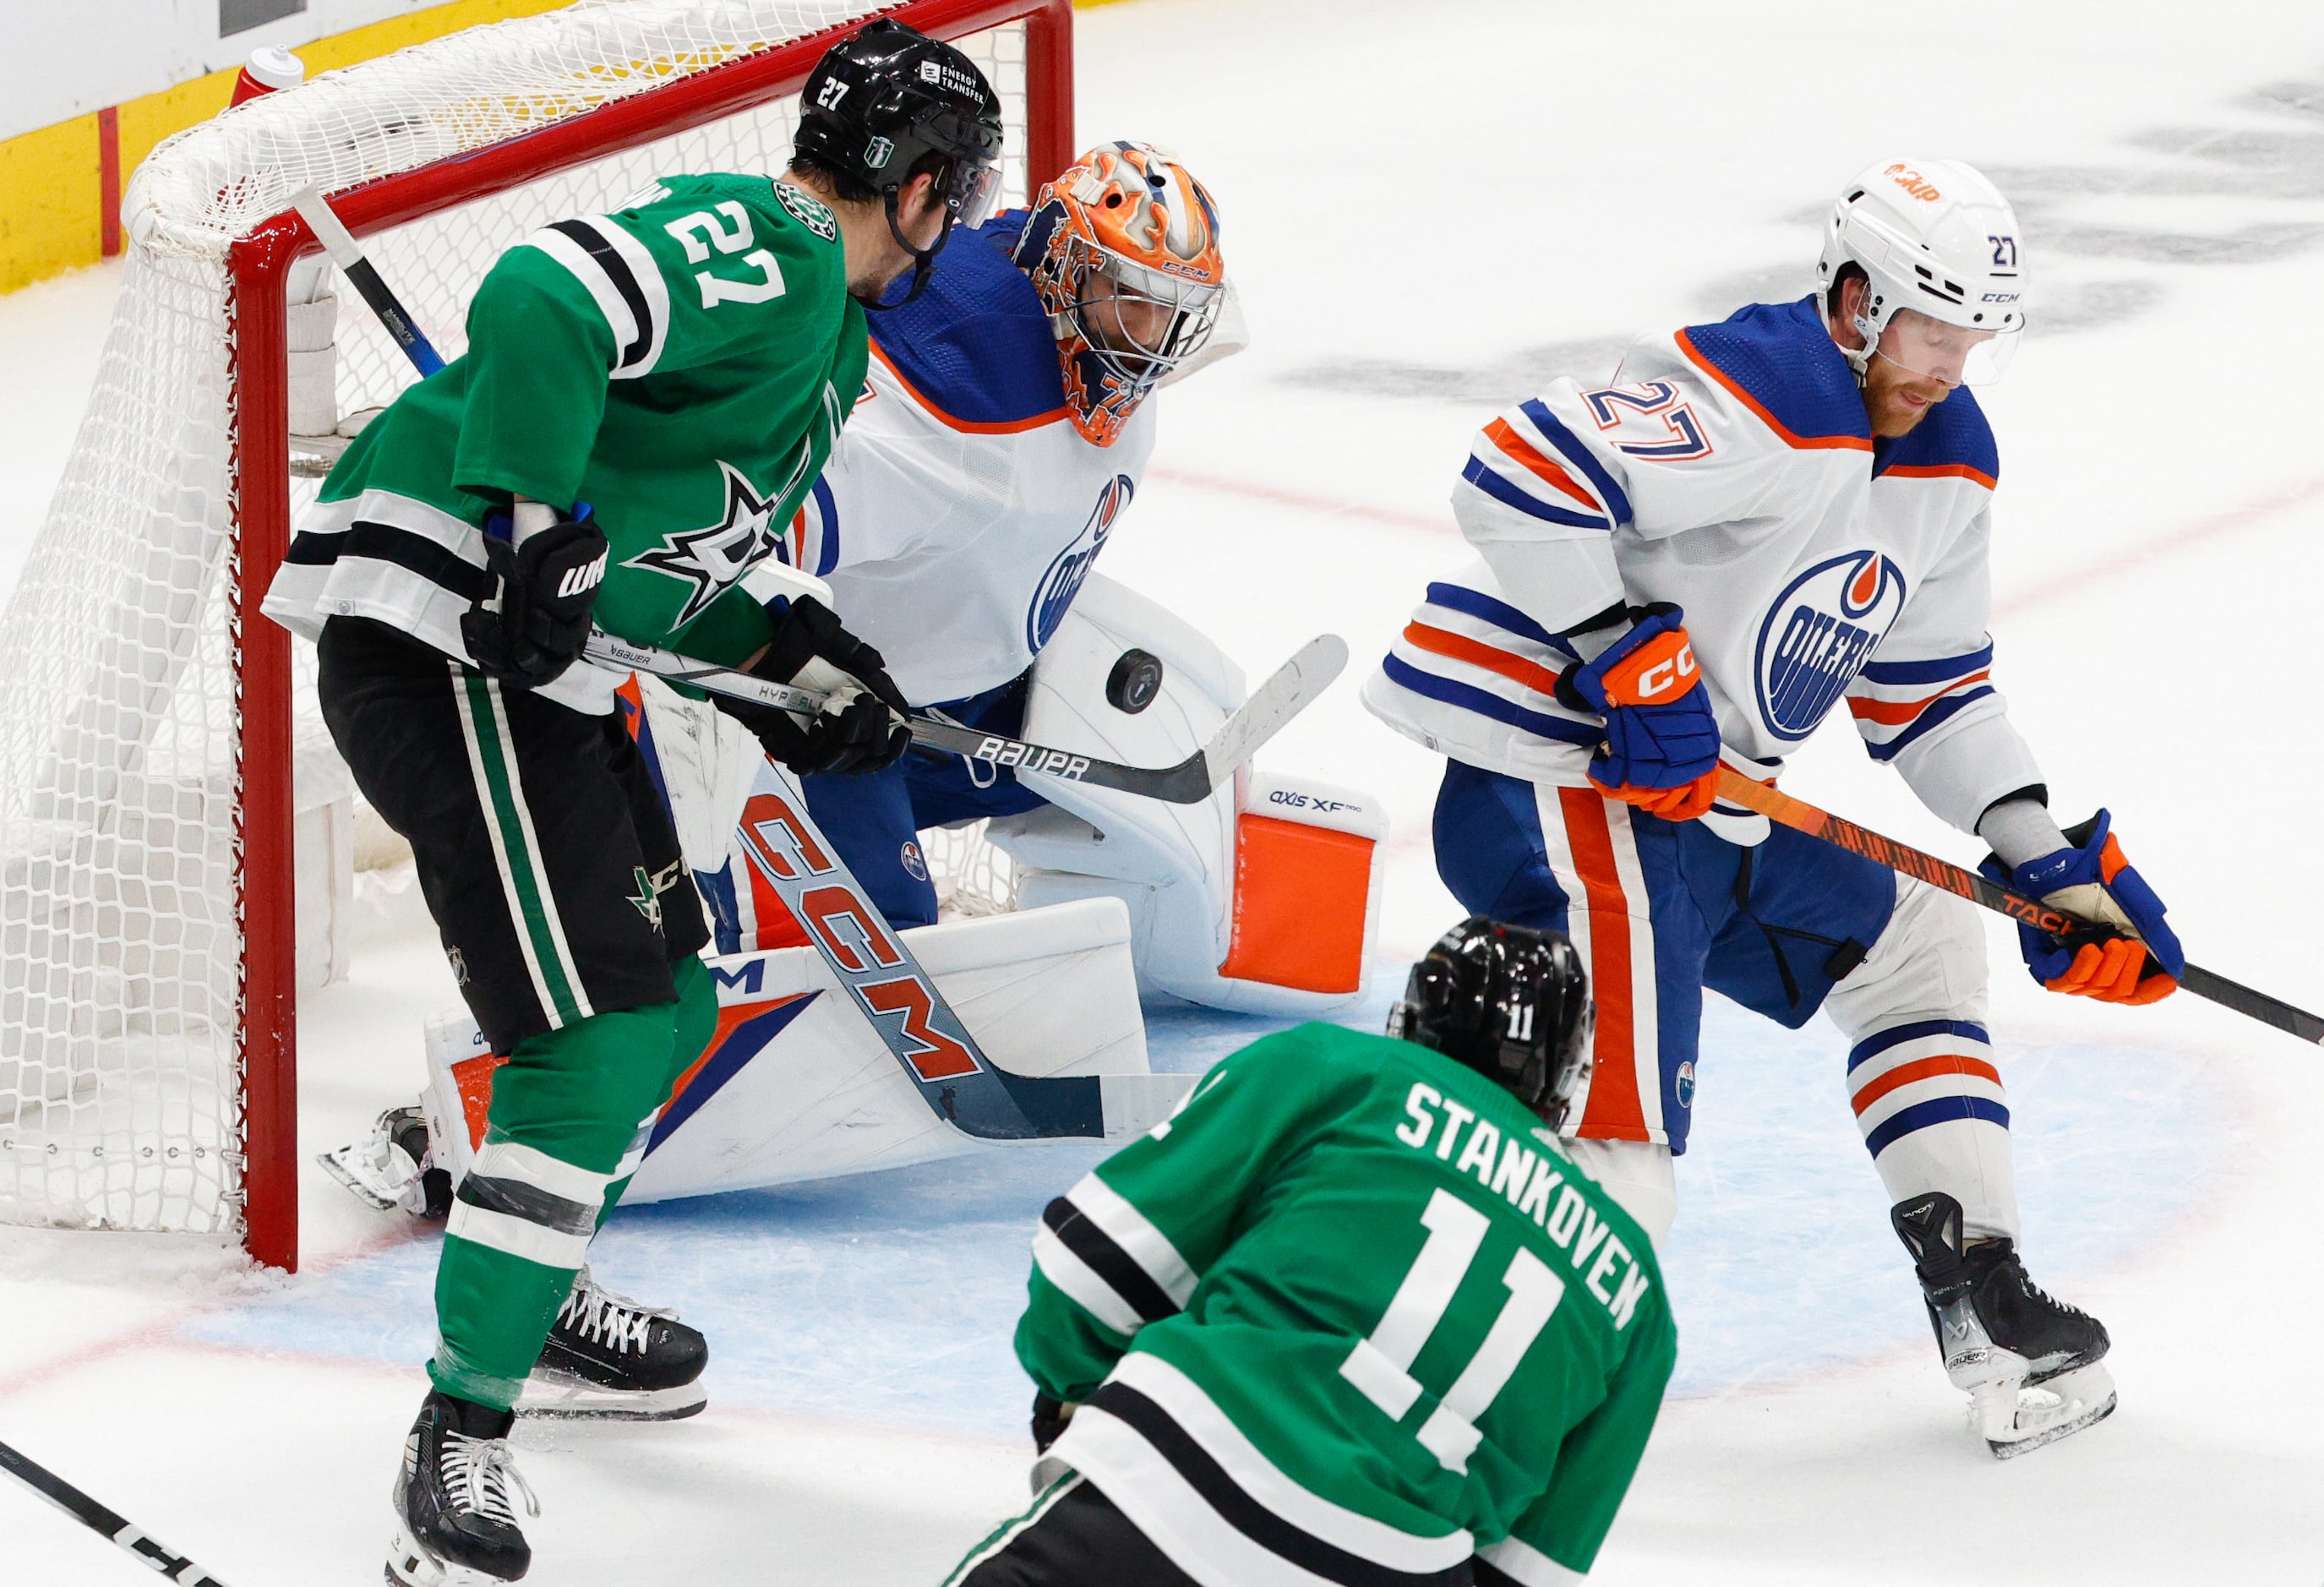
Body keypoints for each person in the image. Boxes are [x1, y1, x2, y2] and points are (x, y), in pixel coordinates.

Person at [259, 19, 1001, 1584]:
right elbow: (542, 295)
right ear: (919, 188)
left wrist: (787, 660)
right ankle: (462, 1423)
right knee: (587, 1043)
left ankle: (538, 1287)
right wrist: (531, 519)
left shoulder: (834, 346)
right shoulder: (781, 245)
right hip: (440, 649)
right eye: (963, 186)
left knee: (664, 1007)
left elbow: (647, 573)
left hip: (533, 668)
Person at [1362, 157, 2183, 1458]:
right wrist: (1625, 647)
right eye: (1929, 329)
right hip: (1560, 778)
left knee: (1918, 945)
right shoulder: (1767, 396)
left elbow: (1927, 691)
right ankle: (1450, 1423)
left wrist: (2041, 852)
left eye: (1975, 339)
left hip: (1704, 804)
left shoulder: (1948, 462)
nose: (1948, 366)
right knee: (1619, 1132)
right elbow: (1515, 470)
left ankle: (1979, 1288)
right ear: (1855, 298)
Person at [945, 919, 1675, 1587]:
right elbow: (1528, 1570)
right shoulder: (1637, 1292)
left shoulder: (1340, 1072)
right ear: (1568, 1076)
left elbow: (1089, 1273)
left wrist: (1075, 1399)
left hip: (1180, 1482)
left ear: (1413, 1020)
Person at [701, 136, 1230, 937]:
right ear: (1062, 268)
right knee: (880, 938)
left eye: (1171, 311)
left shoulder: (1071, 320)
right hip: (797, 706)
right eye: (1130, 299)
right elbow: (724, 553)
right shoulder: (951, 412)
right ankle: (670, 858)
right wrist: (798, 683)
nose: (1148, 339)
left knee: (1120, 763)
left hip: (936, 695)